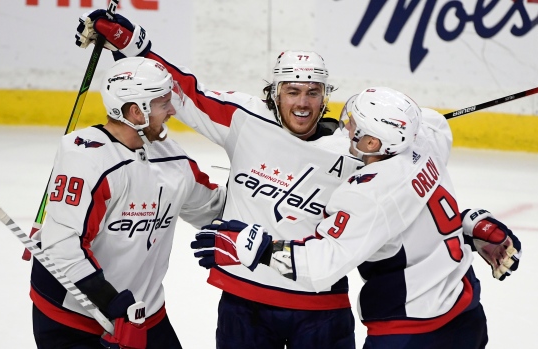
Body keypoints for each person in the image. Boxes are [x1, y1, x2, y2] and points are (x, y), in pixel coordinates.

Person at [74, 10, 364, 349]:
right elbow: (186, 94)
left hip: (321, 308)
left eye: (313, 92)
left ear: (325, 96)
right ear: (275, 93)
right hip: (245, 302)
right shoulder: (245, 119)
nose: (302, 103)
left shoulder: (354, 150)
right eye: (292, 91)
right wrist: (132, 47)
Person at [192, 87, 523, 348]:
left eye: (354, 125)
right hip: (465, 313)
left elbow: (323, 266)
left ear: (373, 142)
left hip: (411, 330)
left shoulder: (370, 195)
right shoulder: (427, 140)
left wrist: (258, 249)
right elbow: (431, 121)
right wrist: (469, 222)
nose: (344, 125)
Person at [29, 56, 226, 349]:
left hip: (142, 314)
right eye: (163, 104)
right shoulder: (87, 158)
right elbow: (63, 246)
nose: (172, 110)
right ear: (136, 112)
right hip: (71, 318)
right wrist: (109, 301)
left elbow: (212, 208)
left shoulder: (172, 159)